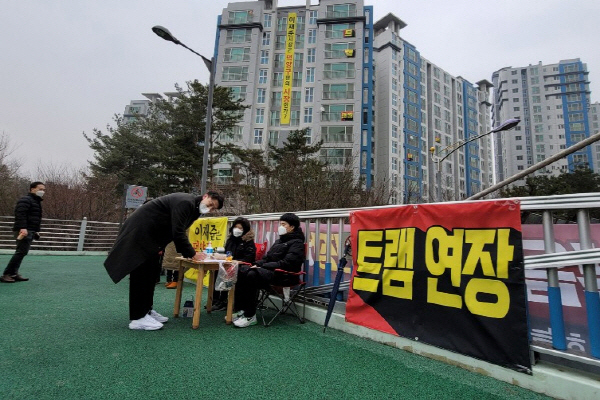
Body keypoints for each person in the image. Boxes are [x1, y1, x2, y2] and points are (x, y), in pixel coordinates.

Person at [104, 191, 224, 330]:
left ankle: (146, 310)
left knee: (151, 275)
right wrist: (192, 254)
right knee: (141, 275)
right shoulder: (186, 203)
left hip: (152, 238)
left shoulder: (194, 209)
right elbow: (178, 232)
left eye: (213, 208)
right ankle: (137, 318)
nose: (210, 208)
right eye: (210, 204)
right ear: (205, 196)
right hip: (140, 233)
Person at [233, 213, 305, 328]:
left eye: (284, 224)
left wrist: (264, 267)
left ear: (292, 227)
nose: (280, 227)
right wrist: (256, 264)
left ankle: (250, 315)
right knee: (243, 270)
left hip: (285, 276)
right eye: (280, 224)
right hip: (272, 272)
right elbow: (266, 258)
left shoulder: (297, 243)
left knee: (252, 275)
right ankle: (242, 309)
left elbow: (287, 264)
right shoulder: (279, 241)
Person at [1, 182, 46, 283]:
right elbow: (20, 214)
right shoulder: (26, 200)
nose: (42, 191)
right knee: (20, 252)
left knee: (22, 252)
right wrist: (22, 227)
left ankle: (13, 273)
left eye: (43, 190)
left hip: (30, 229)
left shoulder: (35, 201)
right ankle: (7, 274)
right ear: (32, 189)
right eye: (40, 189)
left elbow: (34, 218)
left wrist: (36, 231)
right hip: (24, 230)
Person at [211, 217, 256, 311]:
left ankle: (224, 301)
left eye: (240, 228)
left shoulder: (248, 242)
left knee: (227, 273)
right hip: (229, 264)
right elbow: (227, 253)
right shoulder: (230, 240)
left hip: (240, 266)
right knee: (215, 271)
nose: (237, 230)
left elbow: (249, 258)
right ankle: (215, 300)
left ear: (245, 230)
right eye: (236, 227)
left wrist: (234, 261)